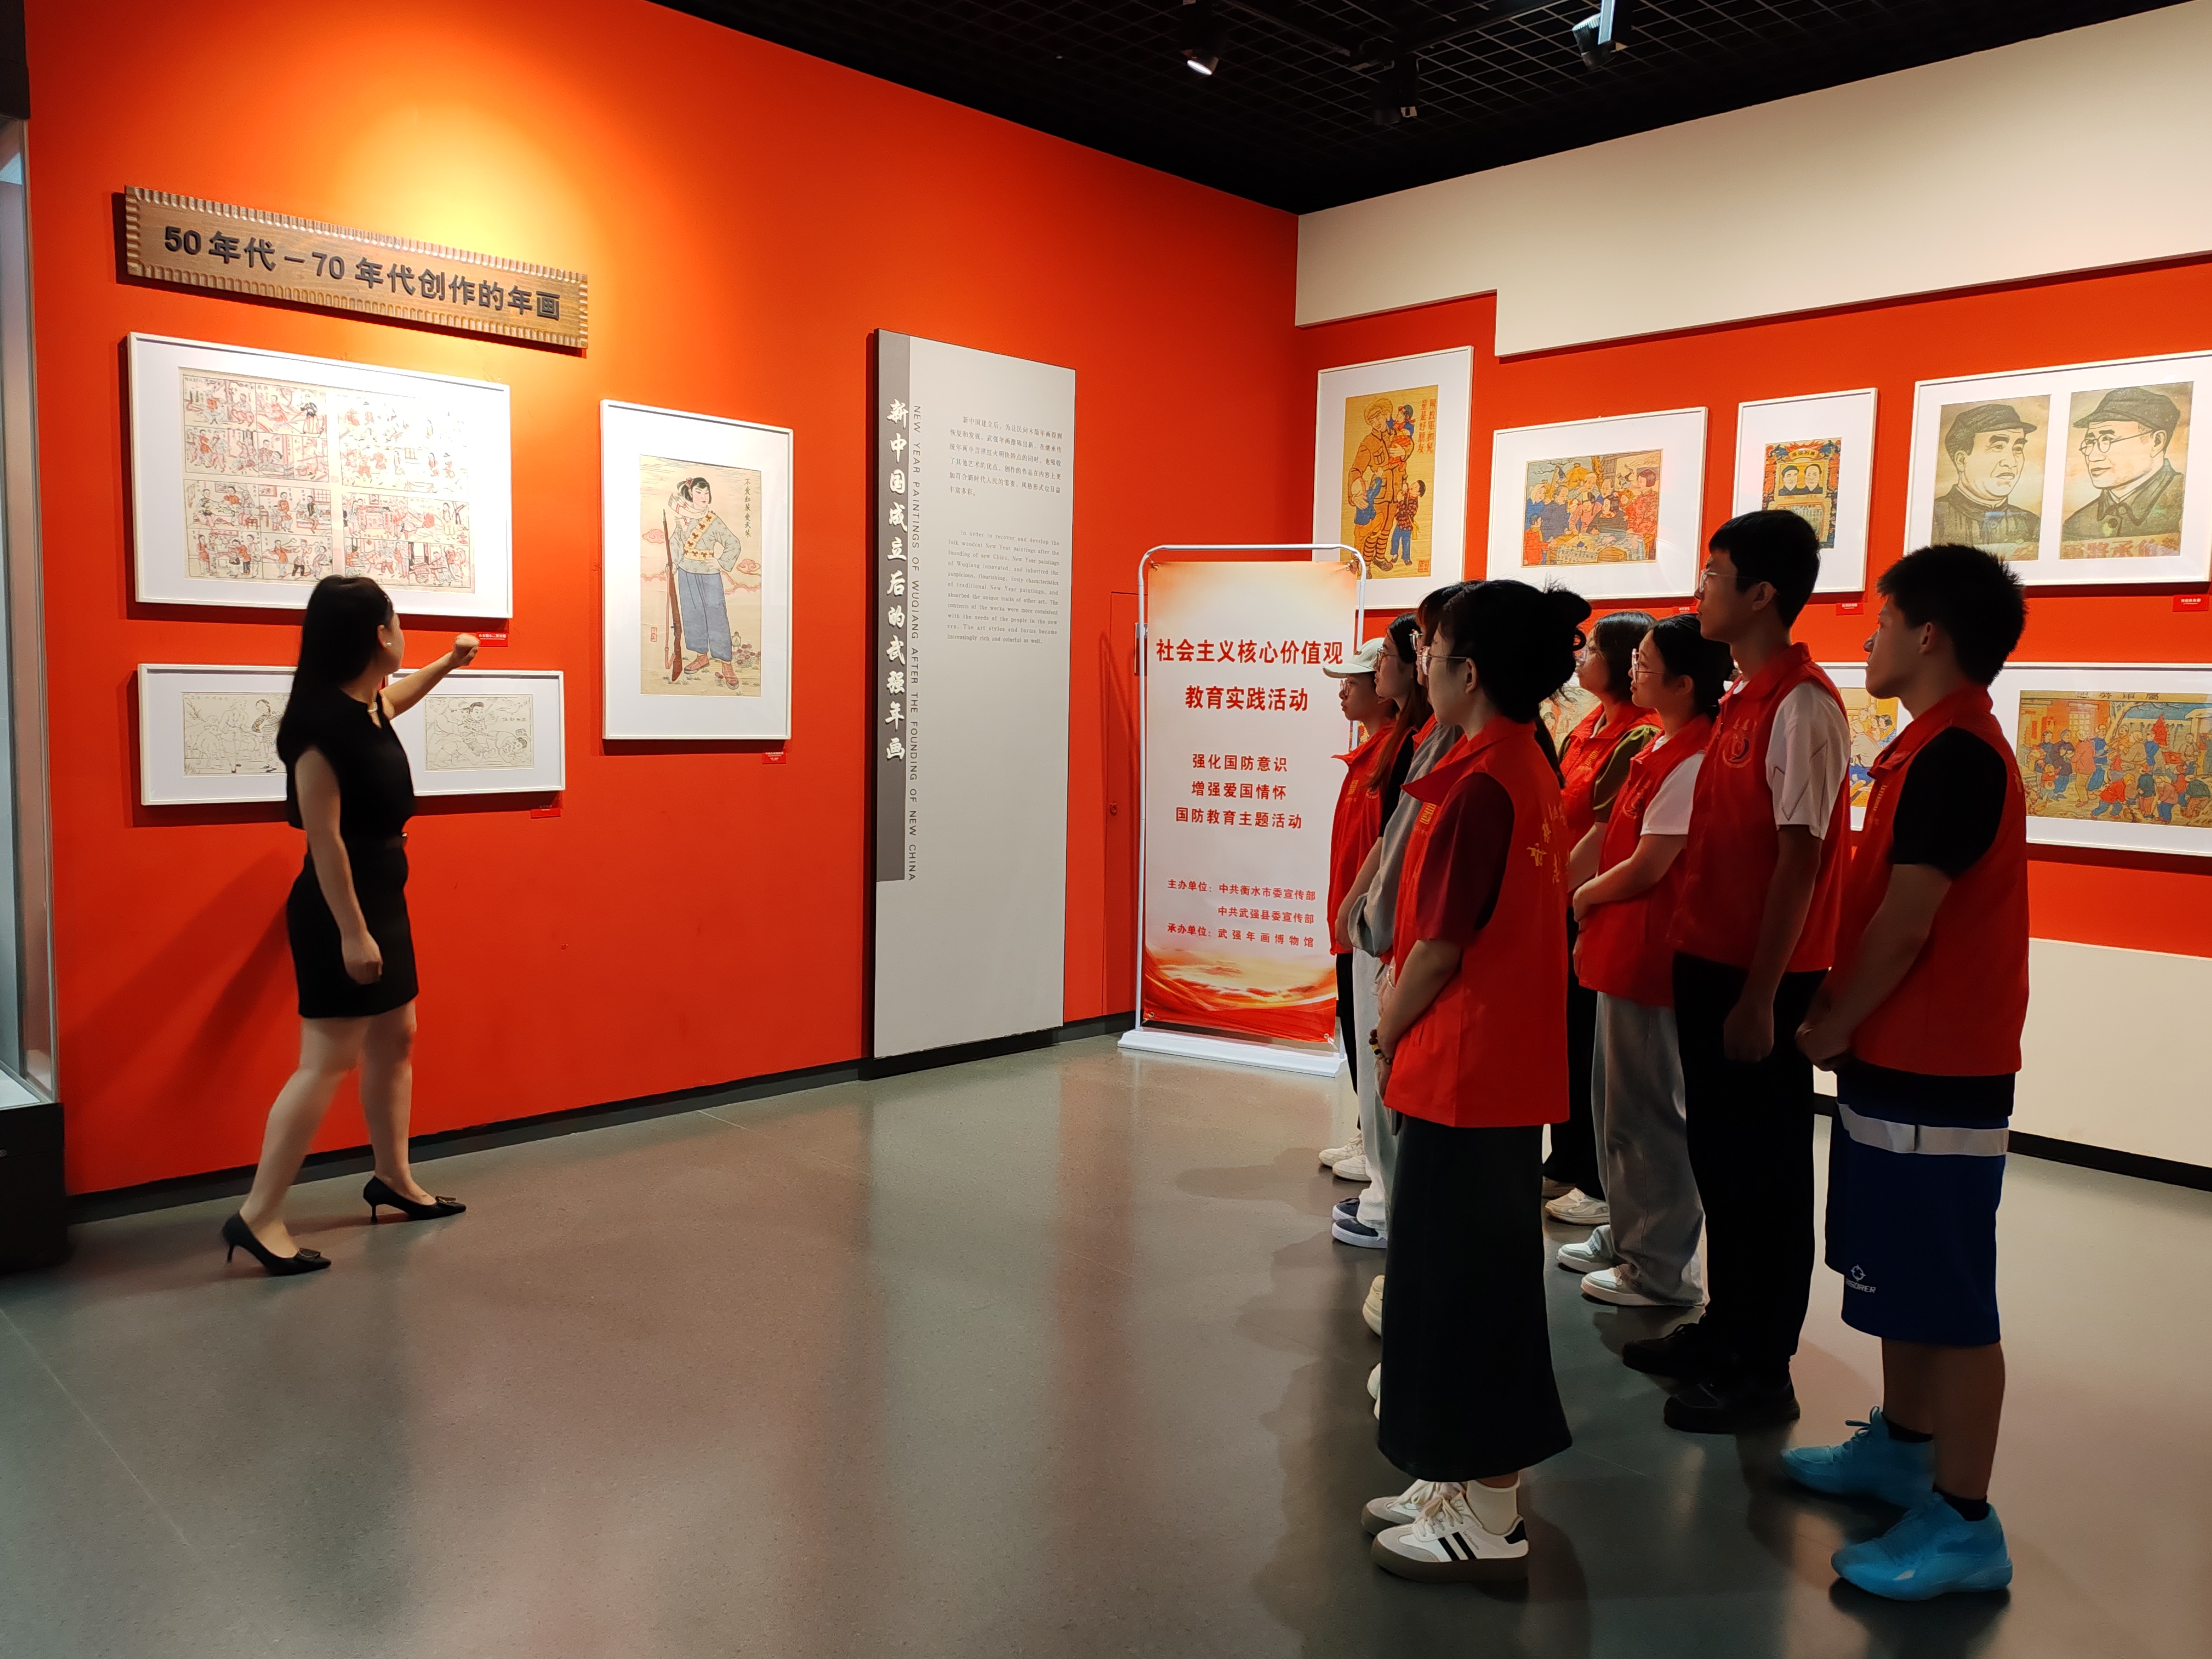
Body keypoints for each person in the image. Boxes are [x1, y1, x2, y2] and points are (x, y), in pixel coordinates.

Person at [1785, 544, 2029, 1600]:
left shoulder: (1957, 756)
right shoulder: (1922, 748)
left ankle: (1965, 1521)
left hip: (1938, 1067)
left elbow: (1903, 923)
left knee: (1950, 1294)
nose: (1867, 636)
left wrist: (1830, 1018)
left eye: (1880, 620)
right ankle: (1901, 1447)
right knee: (1899, 1273)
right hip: (1899, 1057)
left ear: (1926, 634)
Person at [1361, 580, 1588, 1584]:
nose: (1422, 663)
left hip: (1463, 1068)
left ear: (1470, 671)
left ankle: (1490, 1513)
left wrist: (1387, 1026)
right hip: (1491, 1068)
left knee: (1470, 1290)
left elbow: (1440, 946)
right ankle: (1457, 1478)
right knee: (1461, 1280)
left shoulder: (1483, 782)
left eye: (1435, 649)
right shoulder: (1516, 761)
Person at [1627, 510, 1851, 1432]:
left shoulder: (1803, 706)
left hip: (1759, 978)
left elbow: (1801, 860)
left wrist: (1762, 993)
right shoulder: (1742, 703)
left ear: (1761, 594)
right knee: (1721, 1160)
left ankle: (1763, 1368)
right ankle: (1726, 1329)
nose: (1699, 592)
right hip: (1709, 962)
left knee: (1764, 1173)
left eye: (1713, 576)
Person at [221, 577, 478, 1276]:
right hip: (341, 909)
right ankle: (258, 1215)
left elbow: (396, 699)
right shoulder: (318, 727)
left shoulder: (363, 707)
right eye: (398, 623)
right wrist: (353, 933)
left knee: (397, 1039)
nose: (403, 635)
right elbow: (325, 841)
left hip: (382, 900)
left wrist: (449, 664)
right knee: (327, 1060)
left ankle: (392, 1177)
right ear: (378, 635)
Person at [1564, 615, 1734, 1309]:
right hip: (1618, 949)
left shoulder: (1693, 756)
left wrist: (1581, 895)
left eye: (1643, 661)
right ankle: (1628, 1232)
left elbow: (1649, 864)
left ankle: (1660, 1268)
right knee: (1616, 1110)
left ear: (1683, 682)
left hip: (1648, 956)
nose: (1633, 670)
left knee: (1648, 1116)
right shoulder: (1660, 744)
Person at [1330, 598, 1460, 1263]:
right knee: (1373, 1051)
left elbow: (1401, 845)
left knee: (1388, 1055)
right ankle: (1384, 1191)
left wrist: (1364, 908)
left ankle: (1388, 1203)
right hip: (1381, 924)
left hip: (1395, 932)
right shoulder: (1423, 739)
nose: (1392, 663)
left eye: (1397, 653)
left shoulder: (1439, 744)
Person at [1543, 610, 1658, 1226]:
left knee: (1591, 1043)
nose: (1581, 658)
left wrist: (1562, 891)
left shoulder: (1641, 735)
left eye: (1591, 649)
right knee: (1566, 1038)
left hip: (1591, 900)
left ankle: (1592, 1175)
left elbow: (1603, 830)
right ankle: (1564, 1159)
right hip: (1565, 894)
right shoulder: (1589, 724)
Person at [1318, 639, 1399, 1207]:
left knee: (1371, 1031)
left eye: (1353, 681)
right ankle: (1366, 1134)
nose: (1343, 691)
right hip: (1354, 922)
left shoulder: (1395, 755)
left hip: (1373, 925)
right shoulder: (1369, 755)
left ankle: (1379, 1154)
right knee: (1355, 1027)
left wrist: (1360, 910)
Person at [2061, 386, 2185, 543]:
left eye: (2108, 440)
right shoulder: (2077, 525)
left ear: (2157, 442)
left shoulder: (2189, 503)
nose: (2093, 456)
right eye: (2090, 442)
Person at [666, 475, 747, 689]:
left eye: (707, 492)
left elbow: (733, 543)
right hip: (686, 572)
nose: (704, 497)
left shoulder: (713, 520)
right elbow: (676, 542)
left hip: (710, 575)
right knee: (692, 615)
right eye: (699, 492)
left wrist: (720, 562)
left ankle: (726, 664)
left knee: (717, 617)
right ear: (691, 494)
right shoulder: (683, 518)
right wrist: (673, 563)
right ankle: (701, 656)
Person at [1928, 404, 2041, 552]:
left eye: (2018, 449)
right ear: (1962, 460)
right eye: (1998, 447)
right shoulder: (1933, 519)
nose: (2012, 462)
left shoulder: (2031, 524)